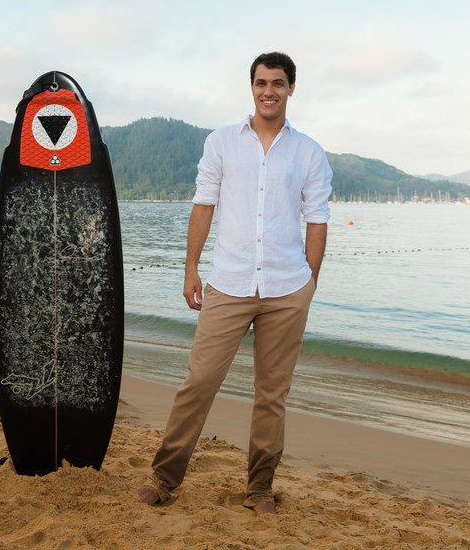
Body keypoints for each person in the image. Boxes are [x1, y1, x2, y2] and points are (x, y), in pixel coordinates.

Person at [134, 51, 332, 515]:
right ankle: (164, 479)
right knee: (199, 381)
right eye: (262, 82)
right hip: (228, 283)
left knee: (271, 395)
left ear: (290, 89)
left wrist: (309, 283)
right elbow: (203, 205)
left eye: (278, 83)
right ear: (252, 88)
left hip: (287, 289)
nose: (269, 91)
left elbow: (317, 220)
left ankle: (260, 488)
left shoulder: (309, 152)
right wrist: (190, 268)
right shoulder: (222, 142)